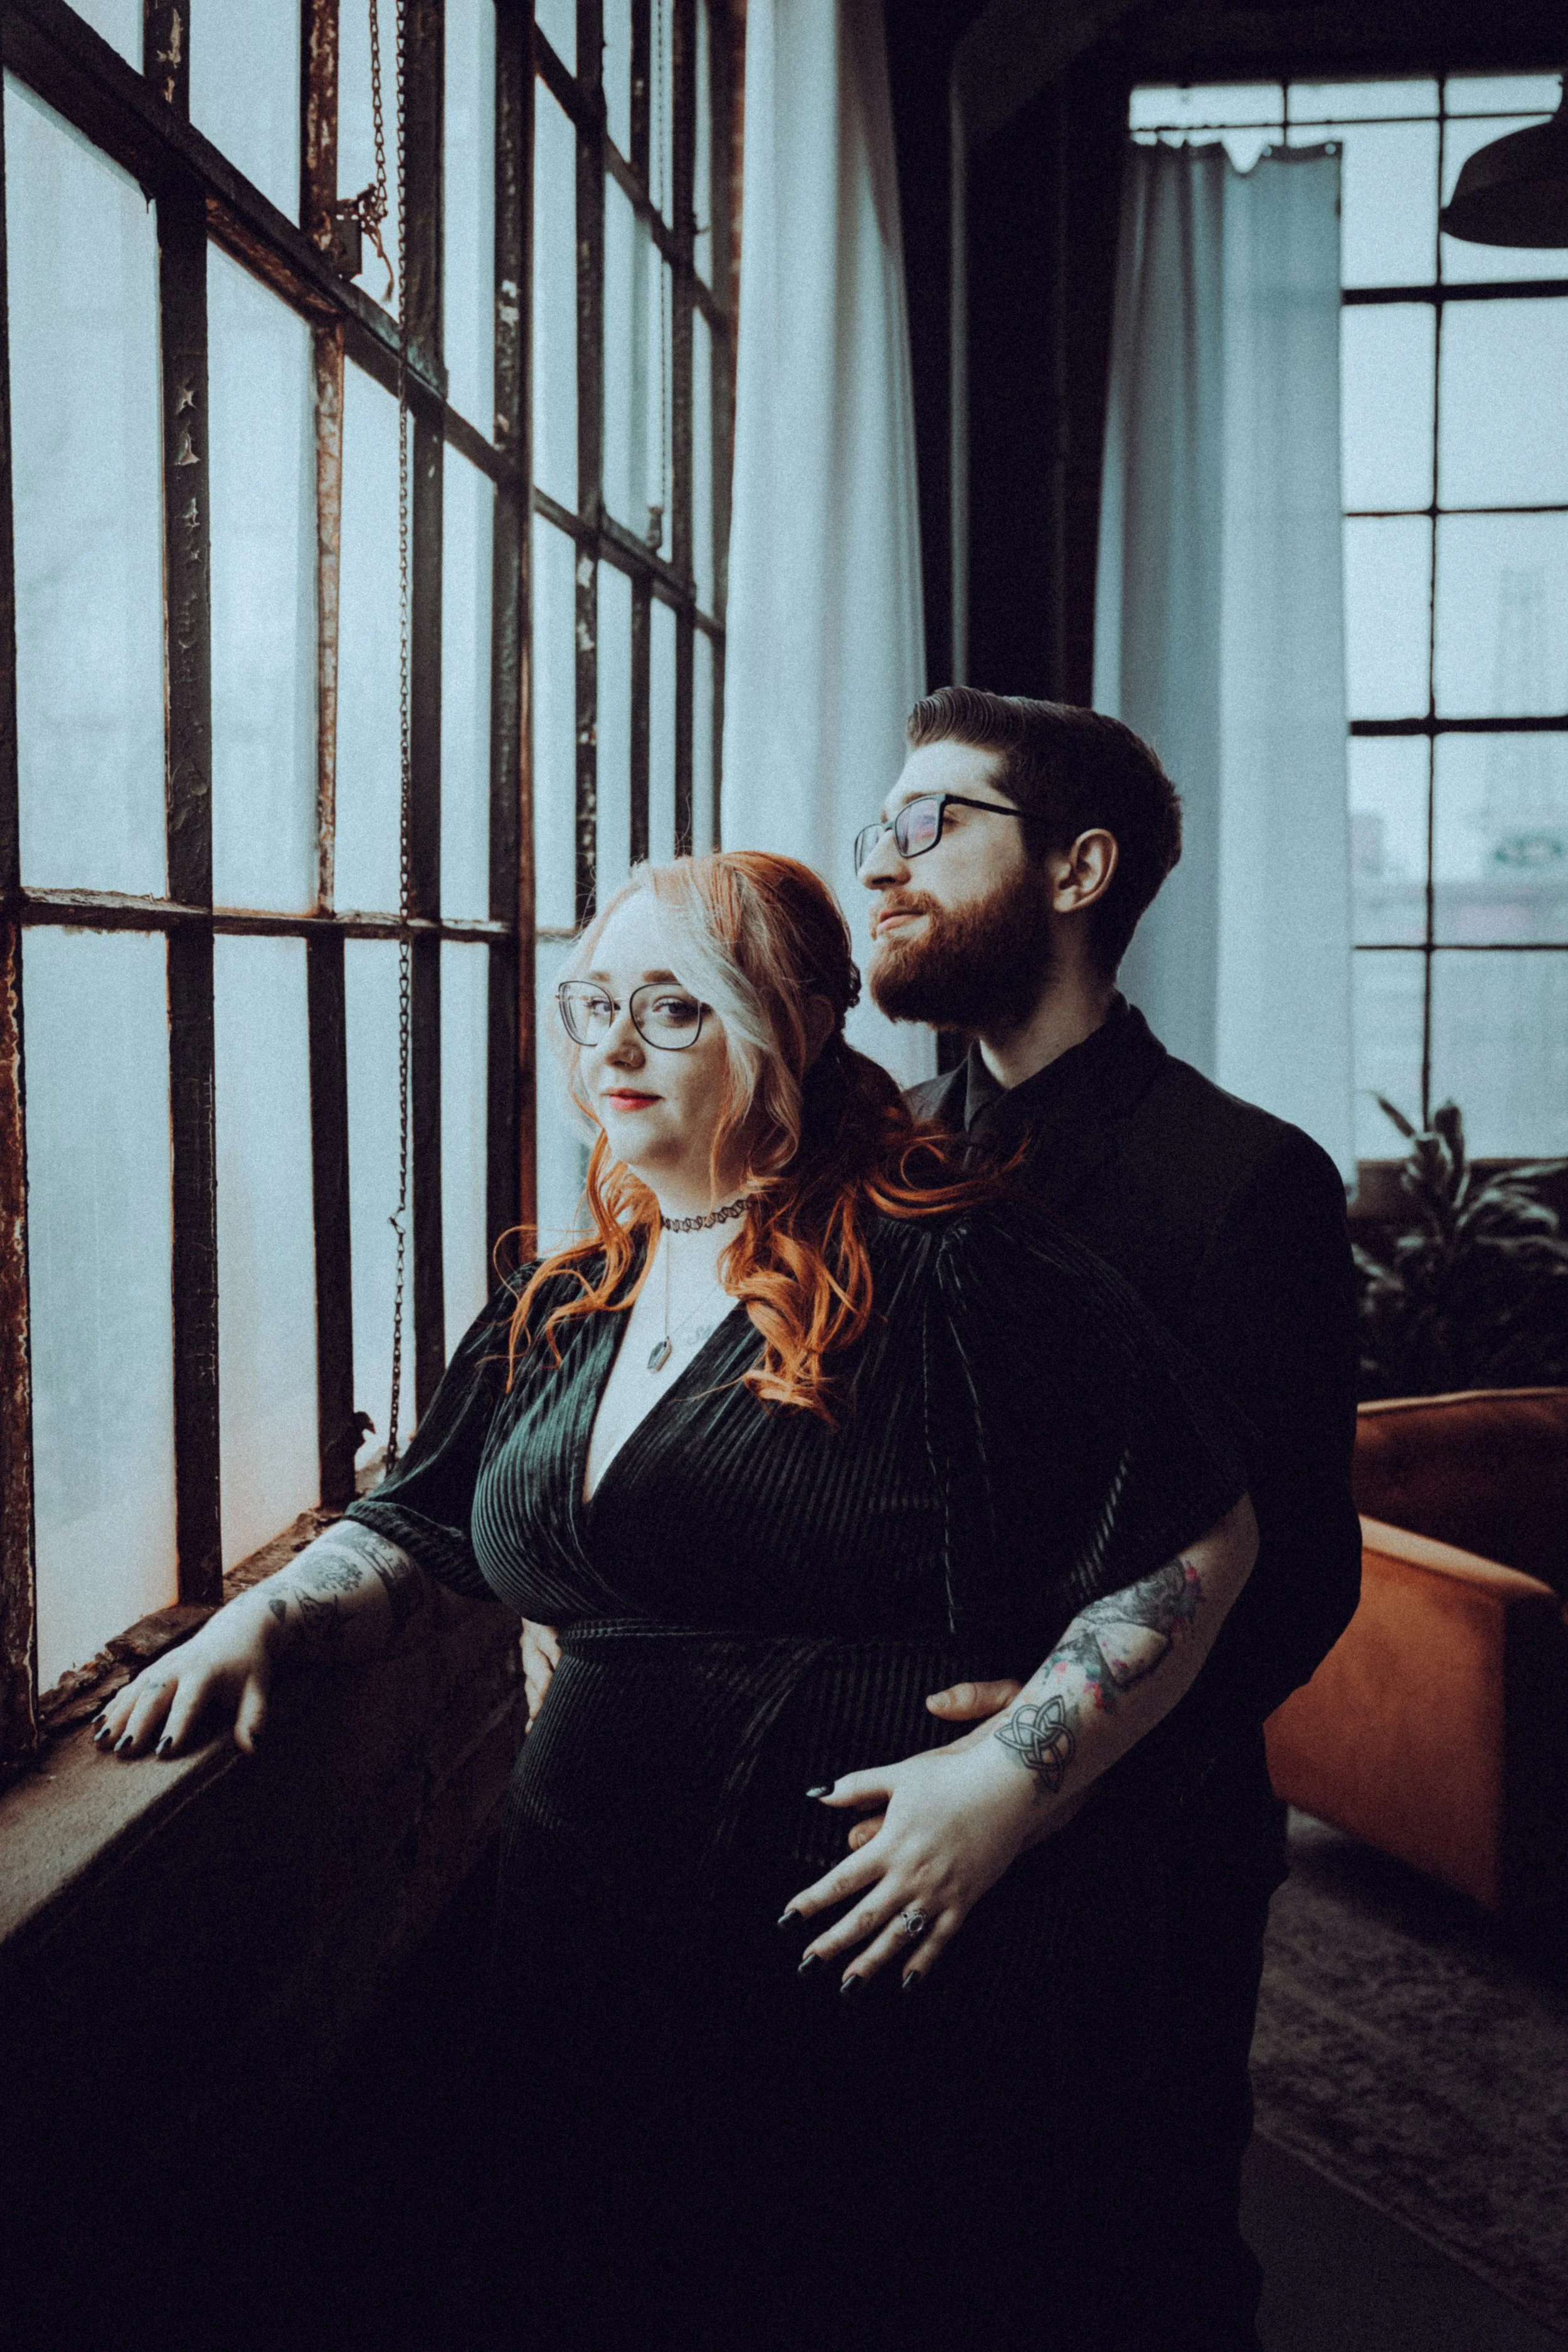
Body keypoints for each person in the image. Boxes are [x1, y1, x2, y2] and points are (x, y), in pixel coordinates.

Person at [98, 849, 1258, 2352]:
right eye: (592, 1007)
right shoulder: (558, 1304)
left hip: (855, 1950)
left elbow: (1195, 1536)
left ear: (782, 1029)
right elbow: (425, 1523)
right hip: (582, 1925)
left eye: (672, 1009)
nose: (613, 1048)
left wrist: (1005, 1780)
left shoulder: (954, 1266)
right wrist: (271, 1614)